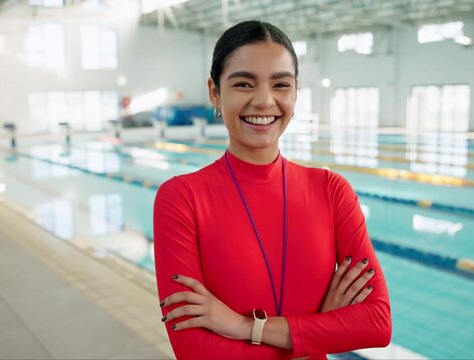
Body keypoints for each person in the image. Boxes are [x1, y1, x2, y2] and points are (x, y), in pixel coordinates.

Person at [154, 20, 391, 359]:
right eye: (243, 84)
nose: (264, 101)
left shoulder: (331, 190)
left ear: (295, 93)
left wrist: (243, 326)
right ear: (214, 92)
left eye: (281, 84)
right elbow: (193, 350)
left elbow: (377, 323)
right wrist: (318, 331)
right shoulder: (181, 198)